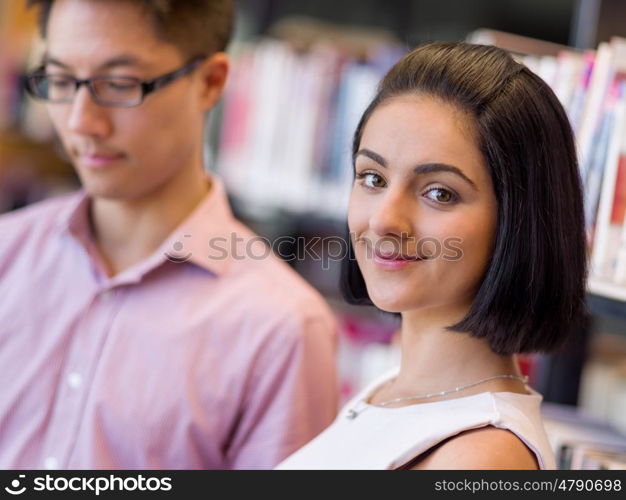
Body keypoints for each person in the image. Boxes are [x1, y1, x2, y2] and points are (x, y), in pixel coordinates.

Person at [0, 0, 338, 469]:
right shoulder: (7, 254)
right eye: (59, 82)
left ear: (211, 82)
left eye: (119, 84)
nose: (80, 122)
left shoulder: (280, 327)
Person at [277, 41, 588, 470]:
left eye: (439, 193)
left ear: (519, 221)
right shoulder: (391, 389)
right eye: (372, 177)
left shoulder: (481, 458)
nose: (385, 220)